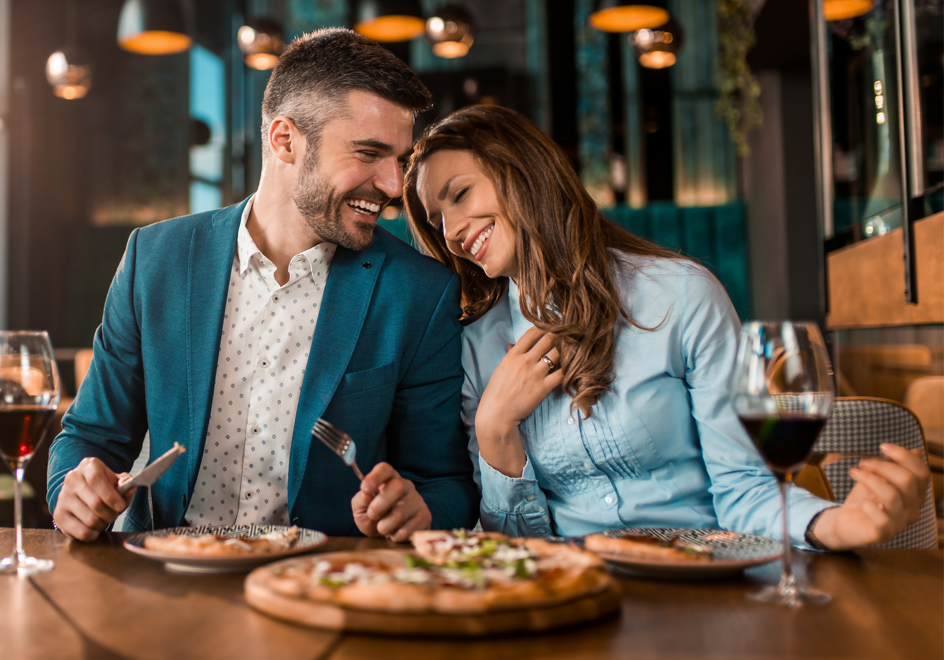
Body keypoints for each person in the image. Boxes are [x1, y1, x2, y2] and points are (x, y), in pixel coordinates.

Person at [402, 104, 929, 551]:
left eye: (460, 195)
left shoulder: (680, 295)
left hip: (705, 583)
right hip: (576, 596)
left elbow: (744, 489)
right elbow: (518, 548)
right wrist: (495, 430)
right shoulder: (474, 346)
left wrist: (838, 524)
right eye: (435, 219)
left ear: (522, 171)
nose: (449, 233)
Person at [48, 28, 479, 542]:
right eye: (368, 154)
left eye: (400, 160)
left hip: (321, 587)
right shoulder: (154, 259)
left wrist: (420, 510)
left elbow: (446, 484)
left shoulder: (420, 293)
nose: (392, 185)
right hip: (166, 576)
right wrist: (72, 489)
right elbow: (90, 436)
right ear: (284, 140)